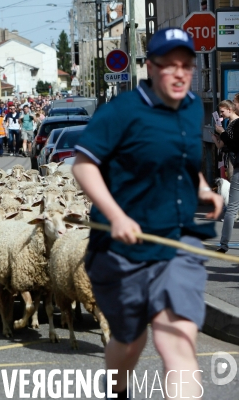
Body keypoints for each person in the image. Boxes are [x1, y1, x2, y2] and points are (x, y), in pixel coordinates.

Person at [72, 28, 223, 399]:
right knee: (129, 340)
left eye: (185, 65)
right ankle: (116, 389)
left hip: (178, 240)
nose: (179, 73)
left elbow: (183, 164)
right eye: (169, 65)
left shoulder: (189, 107)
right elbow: (83, 166)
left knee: (179, 341)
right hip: (121, 251)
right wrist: (117, 215)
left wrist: (203, 190)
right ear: (150, 68)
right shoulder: (121, 112)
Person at [211, 99, 239, 253]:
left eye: (223, 111)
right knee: (232, 208)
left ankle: (223, 244)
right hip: (235, 165)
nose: (221, 114)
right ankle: (223, 244)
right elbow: (225, 145)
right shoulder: (231, 124)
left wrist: (222, 133)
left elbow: (234, 144)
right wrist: (218, 138)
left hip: (237, 167)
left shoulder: (236, 124)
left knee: (231, 209)